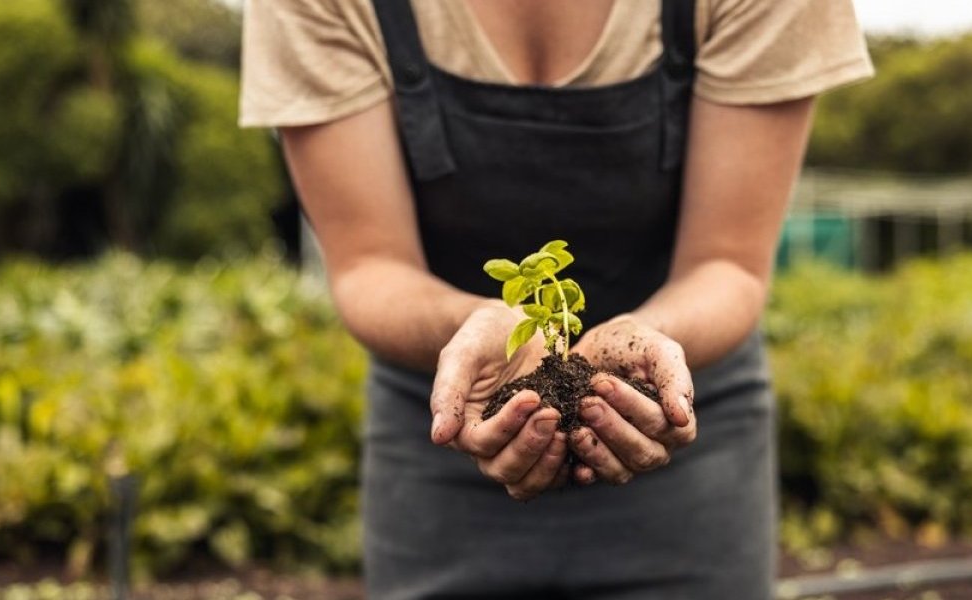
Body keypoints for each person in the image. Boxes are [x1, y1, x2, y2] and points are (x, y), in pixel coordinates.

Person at [241, 1, 872, 597]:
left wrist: (644, 340)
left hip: (684, 420)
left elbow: (727, 262)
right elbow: (369, 265)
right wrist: (476, 323)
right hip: (446, 425)